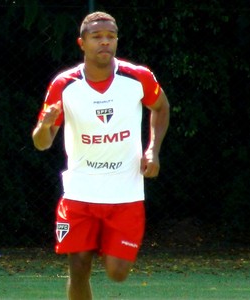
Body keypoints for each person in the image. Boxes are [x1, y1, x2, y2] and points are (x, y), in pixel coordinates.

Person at [32, 11, 170, 300]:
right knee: (79, 266)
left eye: (111, 37)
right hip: (80, 193)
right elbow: (41, 143)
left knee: (117, 272)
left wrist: (152, 150)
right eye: (97, 37)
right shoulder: (64, 85)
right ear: (82, 43)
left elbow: (161, 107)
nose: (104, 42)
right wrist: (45, 125)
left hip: (125, 193)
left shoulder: (137, 77)